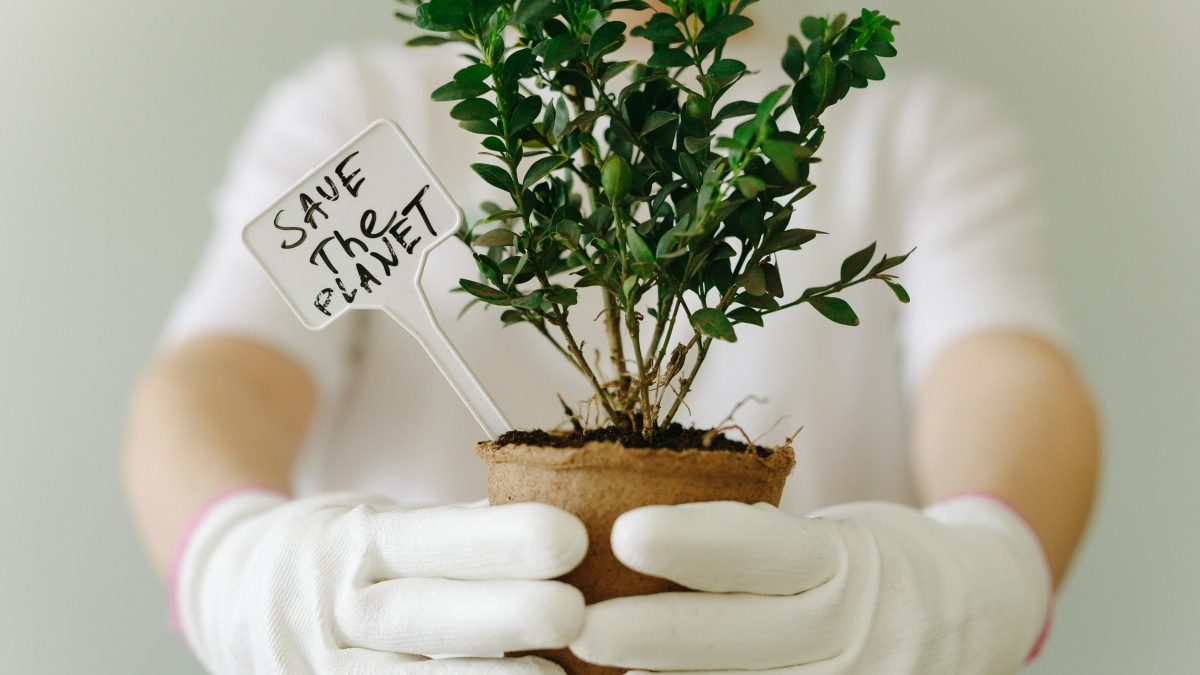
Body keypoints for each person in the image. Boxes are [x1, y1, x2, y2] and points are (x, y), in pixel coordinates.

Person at [124, 13, 1099, 674]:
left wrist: (985, 567)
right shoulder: (365, 105)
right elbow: (223, 371)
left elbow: (1004, 369)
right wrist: (238, 565)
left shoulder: (913, 129)